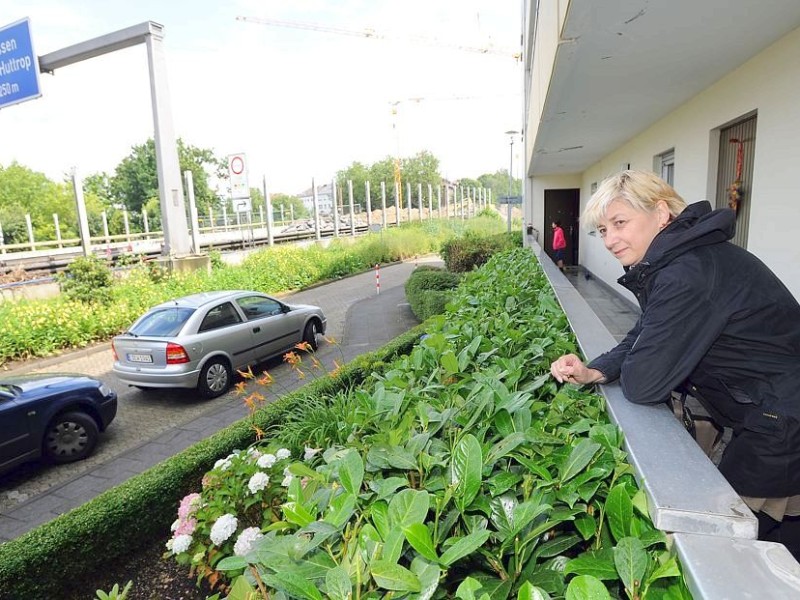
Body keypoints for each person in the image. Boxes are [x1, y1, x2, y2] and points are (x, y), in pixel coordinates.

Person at [549, 169, 800, 558]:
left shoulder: (688, 273)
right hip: (770, 413)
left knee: (737, 550)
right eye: (602, 230)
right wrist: (596, 370)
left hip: (781, 424)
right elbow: (648, 332)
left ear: (661, 213)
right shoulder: (680, 260)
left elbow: (643, 383)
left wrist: (637, 363)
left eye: (619, 223)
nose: (610, 240)